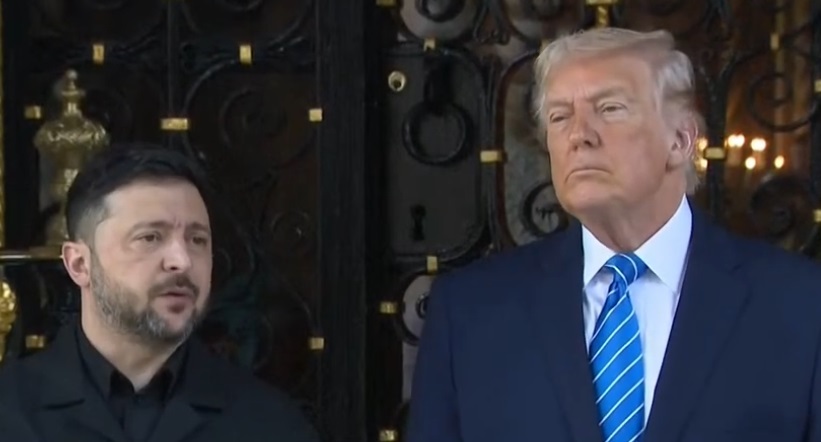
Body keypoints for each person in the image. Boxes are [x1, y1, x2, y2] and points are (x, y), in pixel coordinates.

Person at [405, 27, 821, 442]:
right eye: (560, 116)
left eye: (609, 109)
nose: (579, 135)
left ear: (680, 141)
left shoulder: (799, 304)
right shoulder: (471, 312)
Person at [0, 143, 319, 442]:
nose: (181, 261)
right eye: (150, 238)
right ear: (80, 264)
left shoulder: (270, 423)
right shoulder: (10, 411)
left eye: (197, 240)